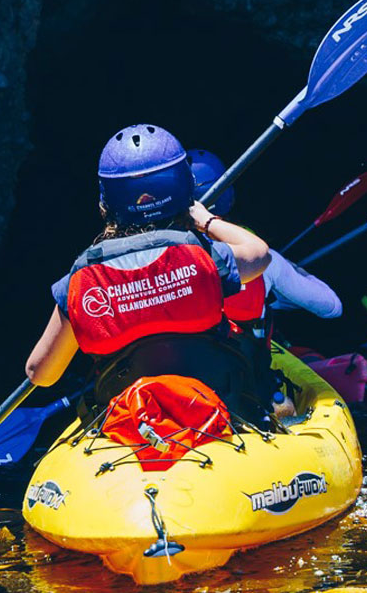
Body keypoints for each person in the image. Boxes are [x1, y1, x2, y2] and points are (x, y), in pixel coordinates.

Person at [25, 125, 271, 417]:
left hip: (130, 423)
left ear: (106, 203)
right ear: (184, 190)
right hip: (215, 408)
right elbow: (259, 254)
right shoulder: (202, 256)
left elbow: (40, 374)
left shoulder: (82, 279)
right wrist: (205, 220)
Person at [187, 148, 342, 416]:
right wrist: (282, 276)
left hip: (186, 387)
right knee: (282, 403)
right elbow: (331, 307)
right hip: (244, 387)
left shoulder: (158, 258)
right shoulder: (260, 256)